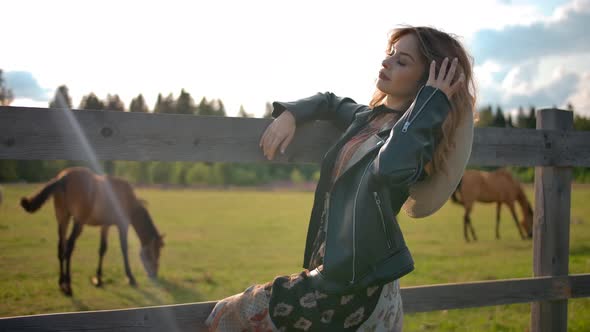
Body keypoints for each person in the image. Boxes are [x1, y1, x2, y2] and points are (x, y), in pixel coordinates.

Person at [205, 25, 476, 331]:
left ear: (426, 81)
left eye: (402, 62)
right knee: (225, 317)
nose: (386, 63)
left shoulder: (417, 139)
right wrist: (291, 114)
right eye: (390, 55)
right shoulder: (367, 118)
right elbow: (330, 102)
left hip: (361, 284)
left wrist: (432, 101)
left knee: (230, 315)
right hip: (330, 269)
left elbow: (387, 168)